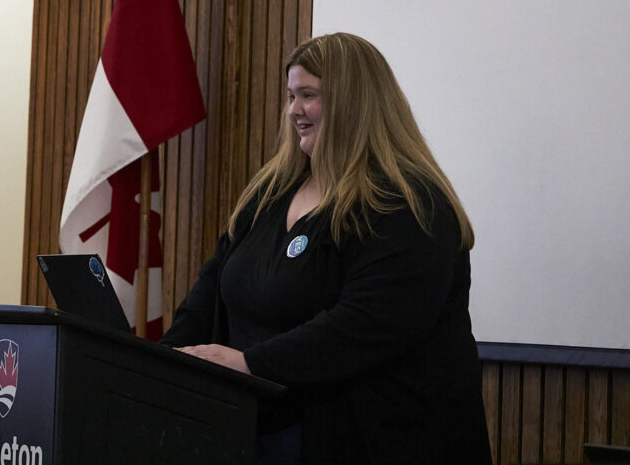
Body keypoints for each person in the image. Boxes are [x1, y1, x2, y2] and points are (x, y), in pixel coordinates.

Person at [161, 33, 492, 464]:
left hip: (373, 440)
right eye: (291, 95)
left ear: (353, 103)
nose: (294, 110)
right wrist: (165, 360)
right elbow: (212, 289)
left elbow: (367, 324)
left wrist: (252, 366)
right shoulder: (270, 194)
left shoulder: (410, 204)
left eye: (309, 95)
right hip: (254, 429)